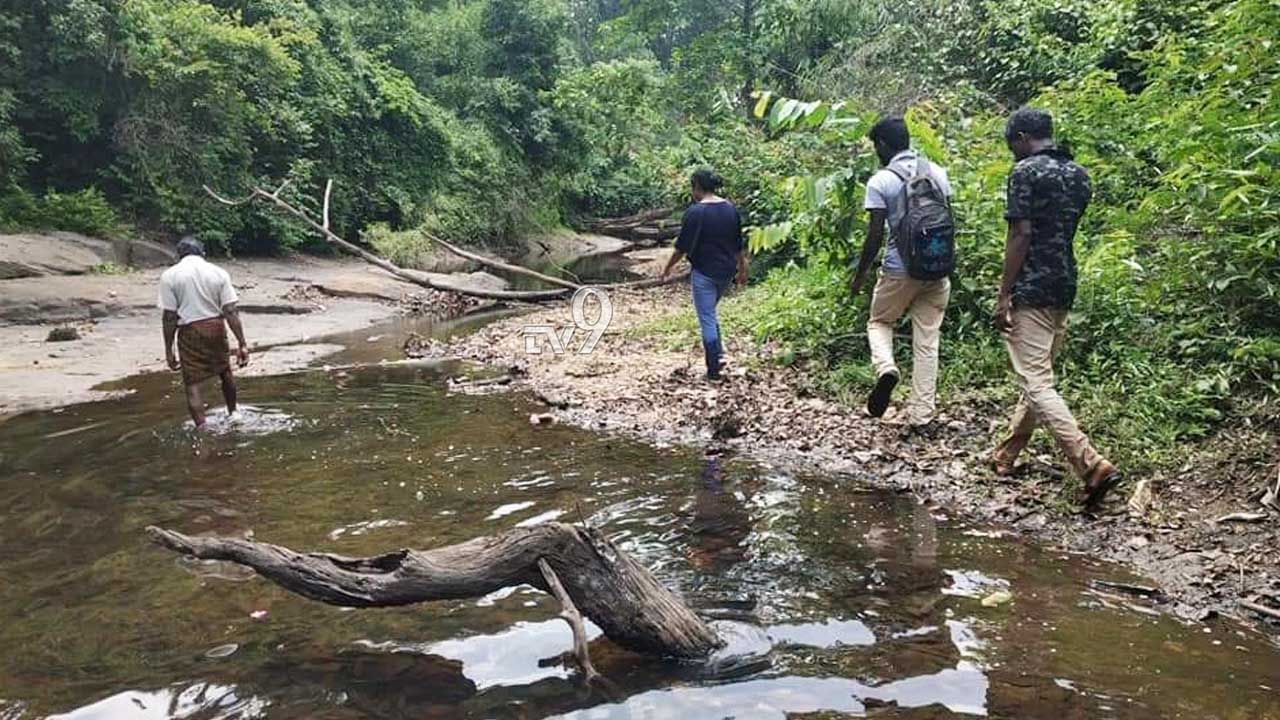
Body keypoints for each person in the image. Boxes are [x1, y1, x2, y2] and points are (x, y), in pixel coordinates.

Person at [992, 107, 1120, 509]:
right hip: (1064, 282)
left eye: (1013, 144)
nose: (1013, 152)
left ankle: (1090, 464)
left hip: (1031, 286)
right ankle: (1006, 456)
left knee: (1037, 382)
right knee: (1037, 377)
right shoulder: (1079, 175)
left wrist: (1003, 294)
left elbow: (1020, 233)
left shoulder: (1025, 172)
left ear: (1023, 136)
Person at [849, 116, 953, 425]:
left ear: (883, 145)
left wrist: (860, 275)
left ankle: (886, 368)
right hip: (936, 268)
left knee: (879, 322)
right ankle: (922, 414)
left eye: (875, 146)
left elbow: (875, 235)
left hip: (898, 269)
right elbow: (948, 220)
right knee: (927, 341)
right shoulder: (937, 172)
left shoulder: (881, 181)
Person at [661, 169, 749, 380]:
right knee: (710, 312)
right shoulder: (730, 209)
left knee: (707, 317)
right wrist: (742, 269)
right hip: (726, 272)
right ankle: (719, 356)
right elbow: (738, 245)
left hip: (704, 274)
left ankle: (713, 370)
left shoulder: (695, 212)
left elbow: (682, 247)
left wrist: (667, 268)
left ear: (697, 186)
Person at [159, 237, 250, 428]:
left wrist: (169, 349)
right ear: (203, 253)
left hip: (189, 330)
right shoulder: (218, 273)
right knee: (225, 372)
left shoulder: (170, 276)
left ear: (179, 255)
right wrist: (242, 343)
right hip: (216, 327)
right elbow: (230, 311)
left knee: (192, 383)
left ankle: (202, 427)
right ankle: (234, 414)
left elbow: (169, 317)